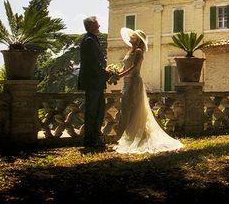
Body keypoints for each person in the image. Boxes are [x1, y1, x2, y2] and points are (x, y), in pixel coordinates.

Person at [114, 27, 184, 154]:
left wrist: (120, 75)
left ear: (138, 40)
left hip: (134, 82)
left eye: (133, 36)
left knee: (134, 108)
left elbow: (134, 68)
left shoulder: (139, 52)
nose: (130, 38)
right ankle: (125, 137)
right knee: (125, 108)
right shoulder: (130, 51)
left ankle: (136, 136)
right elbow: (124, 66)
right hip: (126, 83)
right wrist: (114, 73)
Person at [77, 16, 114, 149]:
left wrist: (105, 73)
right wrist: (106, 73)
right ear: (91, 26)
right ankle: (90, 140)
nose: (99, 27)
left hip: (96, 82)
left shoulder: (92, 39)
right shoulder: (89, 40)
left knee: (99, 110)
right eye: (97, 25)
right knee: (92, 111)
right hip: (93, 82)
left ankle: (95, 138)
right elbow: (93, 64)